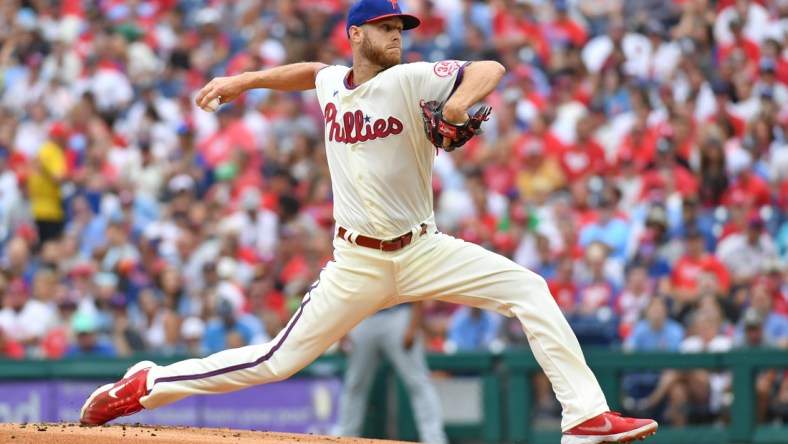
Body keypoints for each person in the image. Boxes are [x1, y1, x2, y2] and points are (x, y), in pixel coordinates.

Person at [80, 1, 658, 442]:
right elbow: (313, 72)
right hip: (356, 262)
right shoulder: (335, 81)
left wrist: (456, 105)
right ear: (357, 35)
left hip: (424, 250)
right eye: (385, 28)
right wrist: (244, 80)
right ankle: (145, 386)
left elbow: (490, 66)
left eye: (400, 30)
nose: (396, 38)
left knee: (529, 289)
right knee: (275, 362)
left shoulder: (409, 80)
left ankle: (584, 416)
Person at [336, 302, 447, 444]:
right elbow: (348, 288)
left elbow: (417, 290)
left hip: (399, 314)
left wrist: (413, 326)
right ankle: (345, 438)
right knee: (355, 384)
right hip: (363, 315)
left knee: (418, 382)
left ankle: (435, 439)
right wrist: (341, 329)